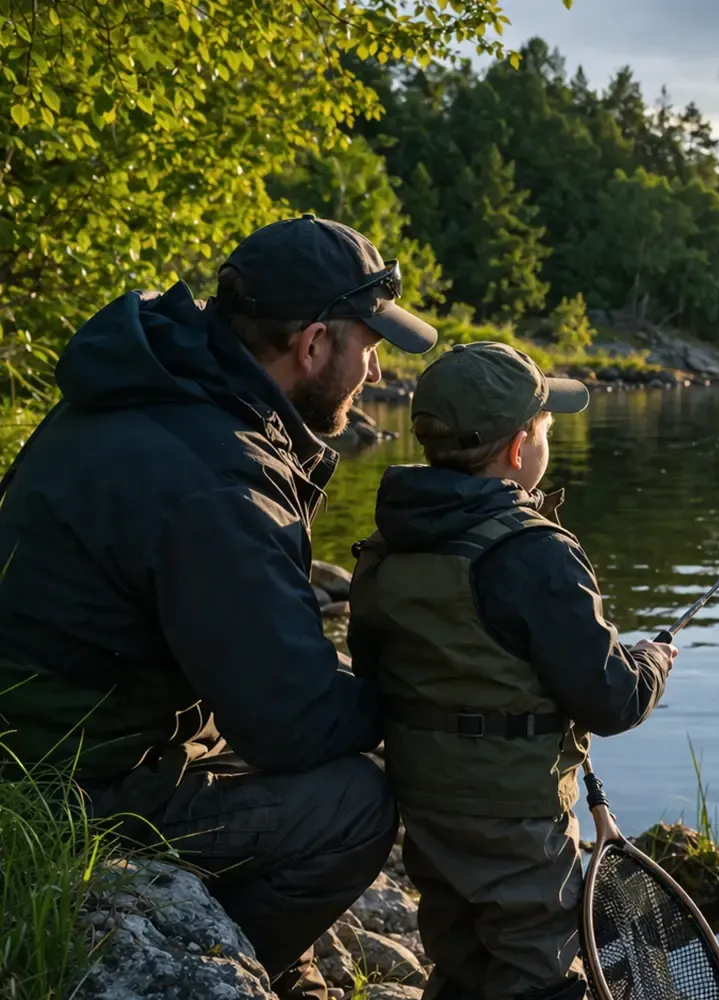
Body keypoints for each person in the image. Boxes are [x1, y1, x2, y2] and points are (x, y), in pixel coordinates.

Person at [0, 214, 440, 998]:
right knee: (357, 804)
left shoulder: (161, 382)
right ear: (311, 345)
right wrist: (427, 694)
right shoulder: (218, 477)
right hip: (58, 782)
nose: (373, 372)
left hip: (55, 730)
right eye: (366, 347)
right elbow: (295, 726)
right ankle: (242, 965)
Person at [346, 341, 676, 1000]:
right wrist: (655, 660)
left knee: (458, 955)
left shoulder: (388, 543)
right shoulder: (536, 554)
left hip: (425, 799)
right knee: (539, 970)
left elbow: (371, 668)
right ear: (520, 449)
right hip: (517, 816)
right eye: (548, 429)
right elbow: (612, 700)